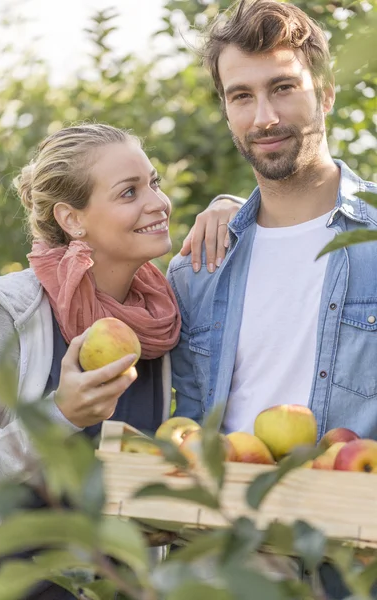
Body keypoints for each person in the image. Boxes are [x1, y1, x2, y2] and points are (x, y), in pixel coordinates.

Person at [0, 123, 241, 599]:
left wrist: (232, 207)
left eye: (154, 182)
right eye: (129, 192)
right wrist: (60, 416)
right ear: (72, 220)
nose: (157, 202)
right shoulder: (5, 313)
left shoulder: (159, 318)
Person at [167, 1, 377, 597]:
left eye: (283, 88)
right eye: (241, 96)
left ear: (327, 92)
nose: (265, 116)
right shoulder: (198, 268)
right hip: (225, 564)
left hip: (355, 562)